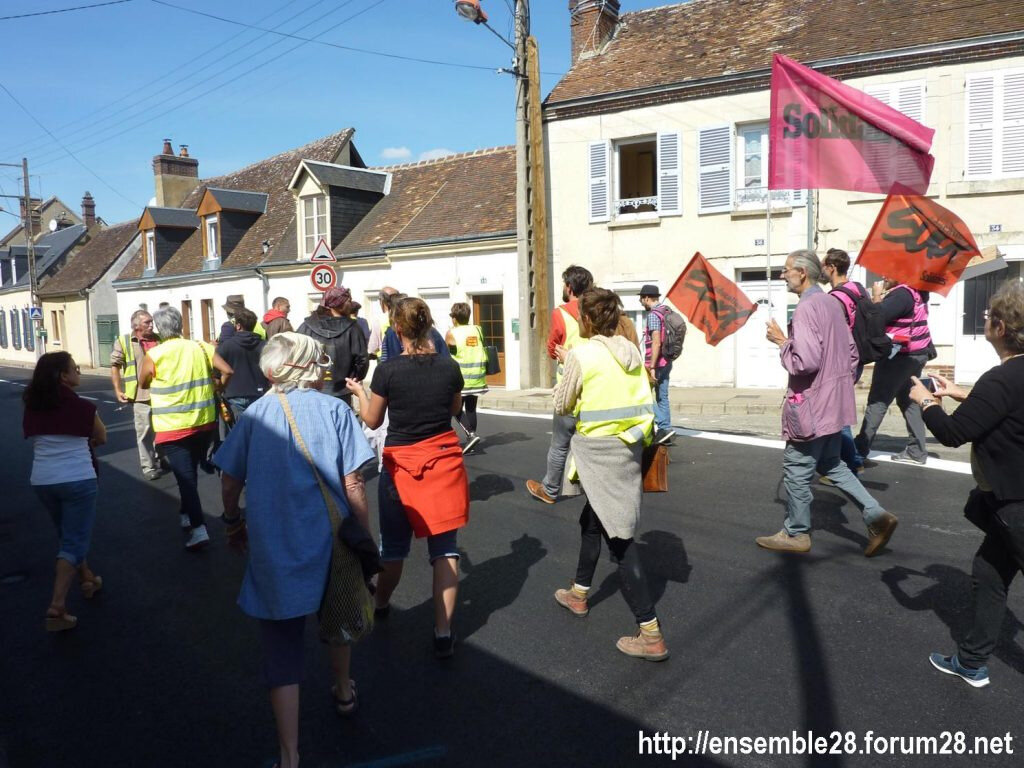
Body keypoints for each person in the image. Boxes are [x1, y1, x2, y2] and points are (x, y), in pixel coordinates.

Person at [214, 333, 374, 767]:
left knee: (281, 650)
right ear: (306, 368)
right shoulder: (336, 410)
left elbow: (229, 481)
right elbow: (354, 482)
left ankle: (289, 753)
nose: (325, 370)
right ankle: (343, 690)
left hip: (274, 544)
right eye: (319, 363)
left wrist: (233, 522)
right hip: (332, 540)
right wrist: (363, 535)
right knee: (338, 612)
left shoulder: (255, 416)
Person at [907, 282, 1024, 688]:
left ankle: (972, 661)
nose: (985, 320)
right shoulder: (1007, 379)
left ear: (1003, 327)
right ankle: (972, 662)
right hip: (1009, 503)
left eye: (990, 316)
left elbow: (954, 434)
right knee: (989, 573)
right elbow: (1001, 412)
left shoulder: (1001, 378)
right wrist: (958, 392)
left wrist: (926, 401)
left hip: (1017, 503)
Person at [346, 297, 469, 659]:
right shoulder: (450, 367)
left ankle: (381, 603)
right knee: (445, 552)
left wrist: (360, 393)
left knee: (394, 548)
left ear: (397, 330)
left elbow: (371, 420)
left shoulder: (388, 371)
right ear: (428, 325)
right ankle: (443, 632)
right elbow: (455, 409)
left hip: (402, 467)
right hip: (444, 465)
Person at [550, 287, 668, 660]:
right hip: (628, 449)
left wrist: (569, 364)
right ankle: (579, 594)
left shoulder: (582, 355)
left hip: (597, 454)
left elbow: (562, 403)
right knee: (592, 521)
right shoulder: (631, 351)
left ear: (585, 319)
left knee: (621, 540)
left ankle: (651, 633)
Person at [756, 250, 898, 556]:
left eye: (786, 270)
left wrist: (782, 342)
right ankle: (876, 514)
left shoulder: (807, 307)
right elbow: (851, 353)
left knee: (796, 467)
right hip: (834, 402)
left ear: (802, 274)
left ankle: (796, 533)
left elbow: (803, 362)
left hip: (811, 405)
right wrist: (837, 384)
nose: (783, 275)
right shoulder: (831, 303)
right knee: (832, 464)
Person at [23, 352, 107, 631]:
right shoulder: (84, 408)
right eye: (75, 368)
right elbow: (101, 436)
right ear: (63, 376)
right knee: (73, 542)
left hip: (43, 481)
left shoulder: (33, 406)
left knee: (67, 533)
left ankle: (87, 579)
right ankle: (57, 607)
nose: (79, 372)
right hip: (78, 479)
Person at [139, 307, 230, 550]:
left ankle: (199, 529)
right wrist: (218, 388)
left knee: (186, 479)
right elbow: (227, 370)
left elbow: (142, 381)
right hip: (203, 422)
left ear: (158, 328)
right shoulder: (201, 347)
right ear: (181, 325)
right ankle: (186, 513)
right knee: (187, 475)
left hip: (172, 427)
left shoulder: (155, 354)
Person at [525, 265, 594, 504]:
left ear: (569, 287)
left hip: (569, 391)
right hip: (596, 388)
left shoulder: (561, 313)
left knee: (560, 444)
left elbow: (552, 348)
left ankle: (550, 490)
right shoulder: (598, 310)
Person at [854, 277, 934, 465]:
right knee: (908, 401)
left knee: (878, 401)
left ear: (901, 274)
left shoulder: (902, 295)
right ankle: (916, 451)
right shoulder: (916, 291)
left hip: (899, 357)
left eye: (888, 274)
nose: (883, 277)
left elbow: (877, 316)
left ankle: (858, 453)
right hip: (917, 354)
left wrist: (875, 297)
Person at [821, 248, 869, 476]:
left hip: (841, 361)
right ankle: (842, 461)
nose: (821, 270)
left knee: (838, 416)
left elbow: (833, 335)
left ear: (831, 267)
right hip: (857, 357)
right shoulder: (858, 290)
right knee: (837, 413)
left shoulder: (834, 298)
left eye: (823, 265)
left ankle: (852, 463)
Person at [110, 309, 162, 480]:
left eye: (151, 321)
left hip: (162, 392)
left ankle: (160, 457)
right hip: (140, 395)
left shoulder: (159, 339)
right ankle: (148, 466)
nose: (151, 325)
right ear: (136, 325)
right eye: (147, 322)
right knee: (145, 431)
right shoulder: (124, 341)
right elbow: (115, 366)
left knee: (163, 428)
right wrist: (118, 390)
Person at [296, 286, 369, 404]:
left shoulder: (306, 326)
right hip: (340, 391)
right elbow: (362, 360)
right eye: (348, 301)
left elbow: (294, 354)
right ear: (339, 304)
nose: (351, 304)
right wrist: (353, 378)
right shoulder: (353, 328)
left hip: (310, 388)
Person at [446, 302, 488, 454]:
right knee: (471, 409)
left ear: (455, 318)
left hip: (461, 378)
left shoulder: (452, 333)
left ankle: (471, 434)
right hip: (477, 376)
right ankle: (472, 443)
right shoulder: (478, 329)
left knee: (455, 409)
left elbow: (447, 352)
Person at [213, 307, 269, 421]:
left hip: (233, 395)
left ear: (238, 326)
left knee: (237, 434)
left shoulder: (226, 346)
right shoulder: (265, 346)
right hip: (259, 394)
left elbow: (217, 373)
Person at [639, 284, 677, 446]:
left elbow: (656, 342)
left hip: (655, 363)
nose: (641, 302)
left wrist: (652, 366)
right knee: (662, 396)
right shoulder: (666, 311)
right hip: (667, 360)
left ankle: (663, 427)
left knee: (644, 396)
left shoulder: (654, 315)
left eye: (641, 299)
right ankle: (665, 428)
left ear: (647, 298)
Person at [367, 285, 399, 359]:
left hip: (386, 358)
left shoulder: (378, 319)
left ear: (382, 301)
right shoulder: (406, 315)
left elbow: (373, 346)